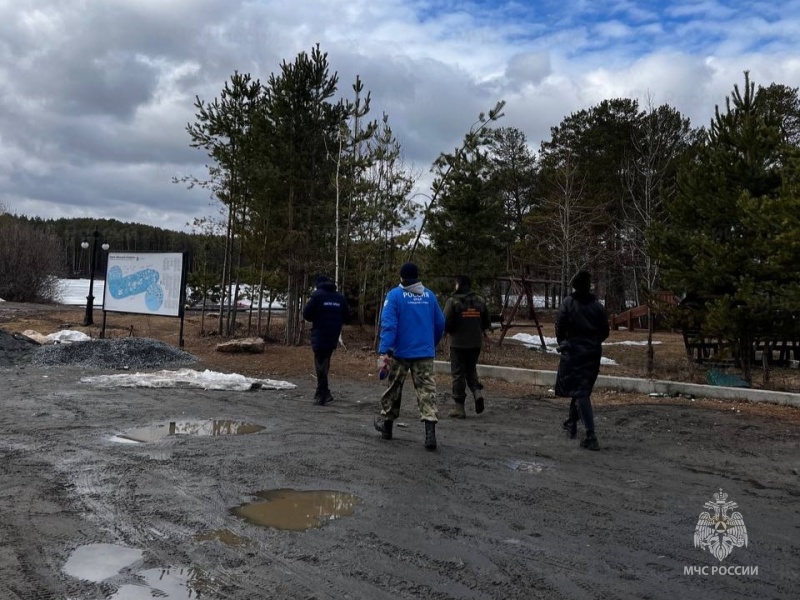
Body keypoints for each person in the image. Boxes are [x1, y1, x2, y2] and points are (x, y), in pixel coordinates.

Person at [373, 262, 446, 450]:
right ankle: (430, 434)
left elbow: (389, 325)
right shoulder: (429, 296)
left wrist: (385, 350)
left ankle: (387, 427)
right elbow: (440, 323)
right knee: (427, 391)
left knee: (394, 388)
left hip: (400, 353)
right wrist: (431, 343)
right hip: (424, 353)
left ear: (401, 277)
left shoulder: (395, 296)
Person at [554, 270, 610, 450]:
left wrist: (565, 343)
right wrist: (592, 343)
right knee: (581, 389)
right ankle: (571, 422)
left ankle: (590, 435)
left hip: (573, 353)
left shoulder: (568, 303)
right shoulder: (597, 306)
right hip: (592, 353)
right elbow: (605, 331)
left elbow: (559, 327)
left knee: (581, 392)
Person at [443, 275, 491, 419]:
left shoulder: (453, 301)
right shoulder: (480, 301)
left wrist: (449, 332)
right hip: (475, 343)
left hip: (458, 343)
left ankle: (459, 407)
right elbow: (486, 322)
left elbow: (445, 321)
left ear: (458, 284)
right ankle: (477, 393)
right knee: (471, 370)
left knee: (458, 374)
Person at [302, 275, 350, 406]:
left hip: (320, 332)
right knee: (325, 361)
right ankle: (321, 392)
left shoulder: (317, 296)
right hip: (333, 333)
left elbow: (306, 314)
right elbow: (347, 315)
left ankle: (324, 393)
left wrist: (318, 317)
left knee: (320, 362)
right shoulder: (339, 297)